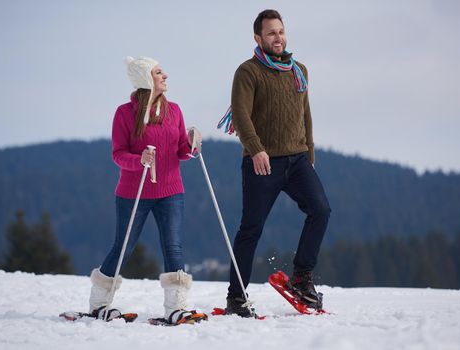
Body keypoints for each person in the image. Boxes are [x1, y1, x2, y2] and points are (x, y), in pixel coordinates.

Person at [224, 9, 331, 317]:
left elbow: (305, 113)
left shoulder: (299, 70)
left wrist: (309, 152)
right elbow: (241, 115)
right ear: (258, 38)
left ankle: (301, 278)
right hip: (262, 163)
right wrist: (255, 149)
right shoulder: (248, 71)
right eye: (271, 33)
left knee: (321, 210)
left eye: (281, 31)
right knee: (251, 230)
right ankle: (236, 297)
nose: (278, 37)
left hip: (297, 160)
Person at [88, 56, 206, 325]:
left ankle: (176, 308)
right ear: (145, 79)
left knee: (173, 247)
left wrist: (191, 146)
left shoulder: (174, 110)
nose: (165, 77)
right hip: (134, 193)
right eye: (158, 73)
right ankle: (99, 304)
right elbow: (117, 154)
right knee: (123, 247)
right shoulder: (124, 113)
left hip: (171, 190)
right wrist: (138, 160)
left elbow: (180, 151)